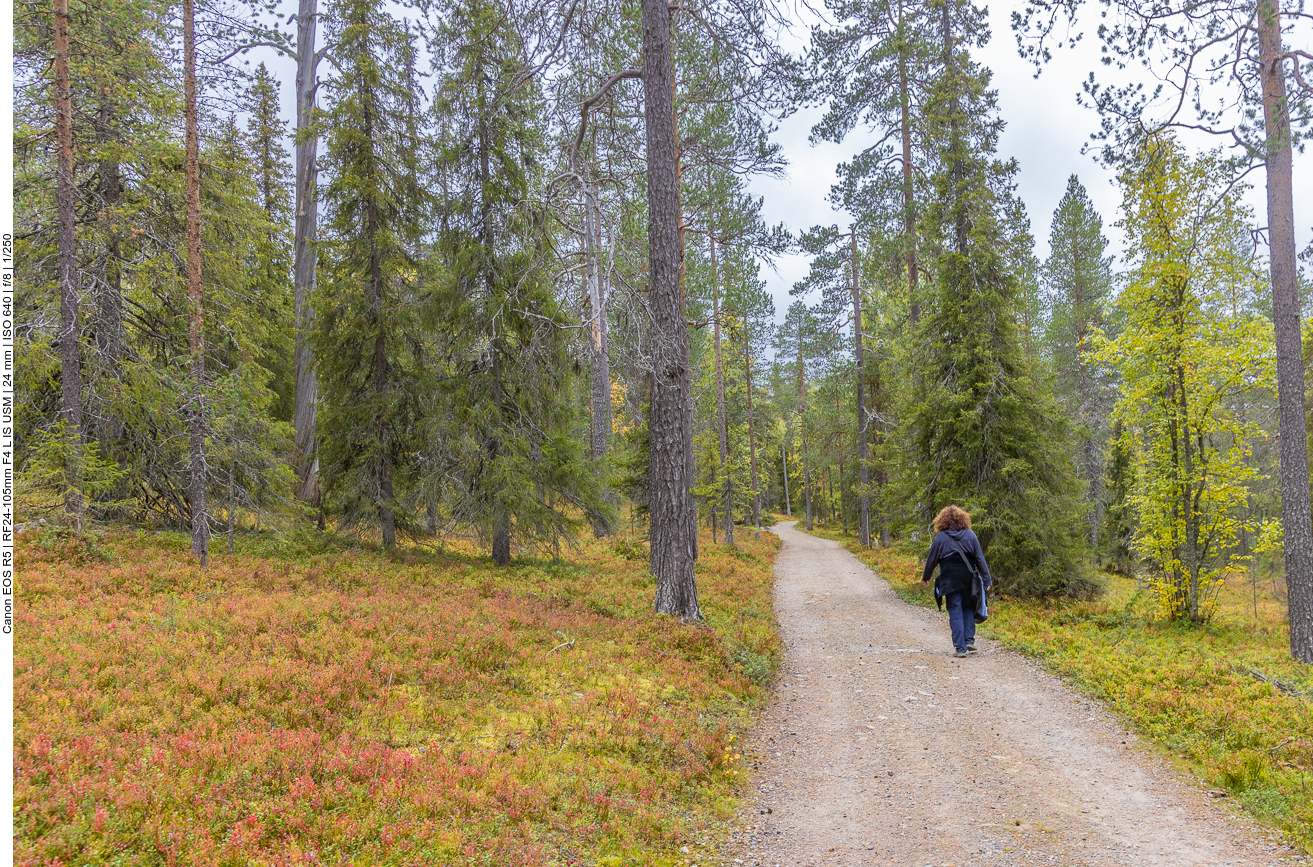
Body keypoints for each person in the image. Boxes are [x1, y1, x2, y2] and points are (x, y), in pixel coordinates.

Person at [920, 505, 992, 657]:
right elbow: (979, 558)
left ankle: (960, 649)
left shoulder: (940, 537)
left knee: (955, 610)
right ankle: (968, 640)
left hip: (950, 578)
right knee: (968, 607)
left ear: (942, 521)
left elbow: (932, 559)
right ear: (962, 519)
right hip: (968, 578)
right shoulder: (970, 535)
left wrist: (926, 576)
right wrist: (987, 580)